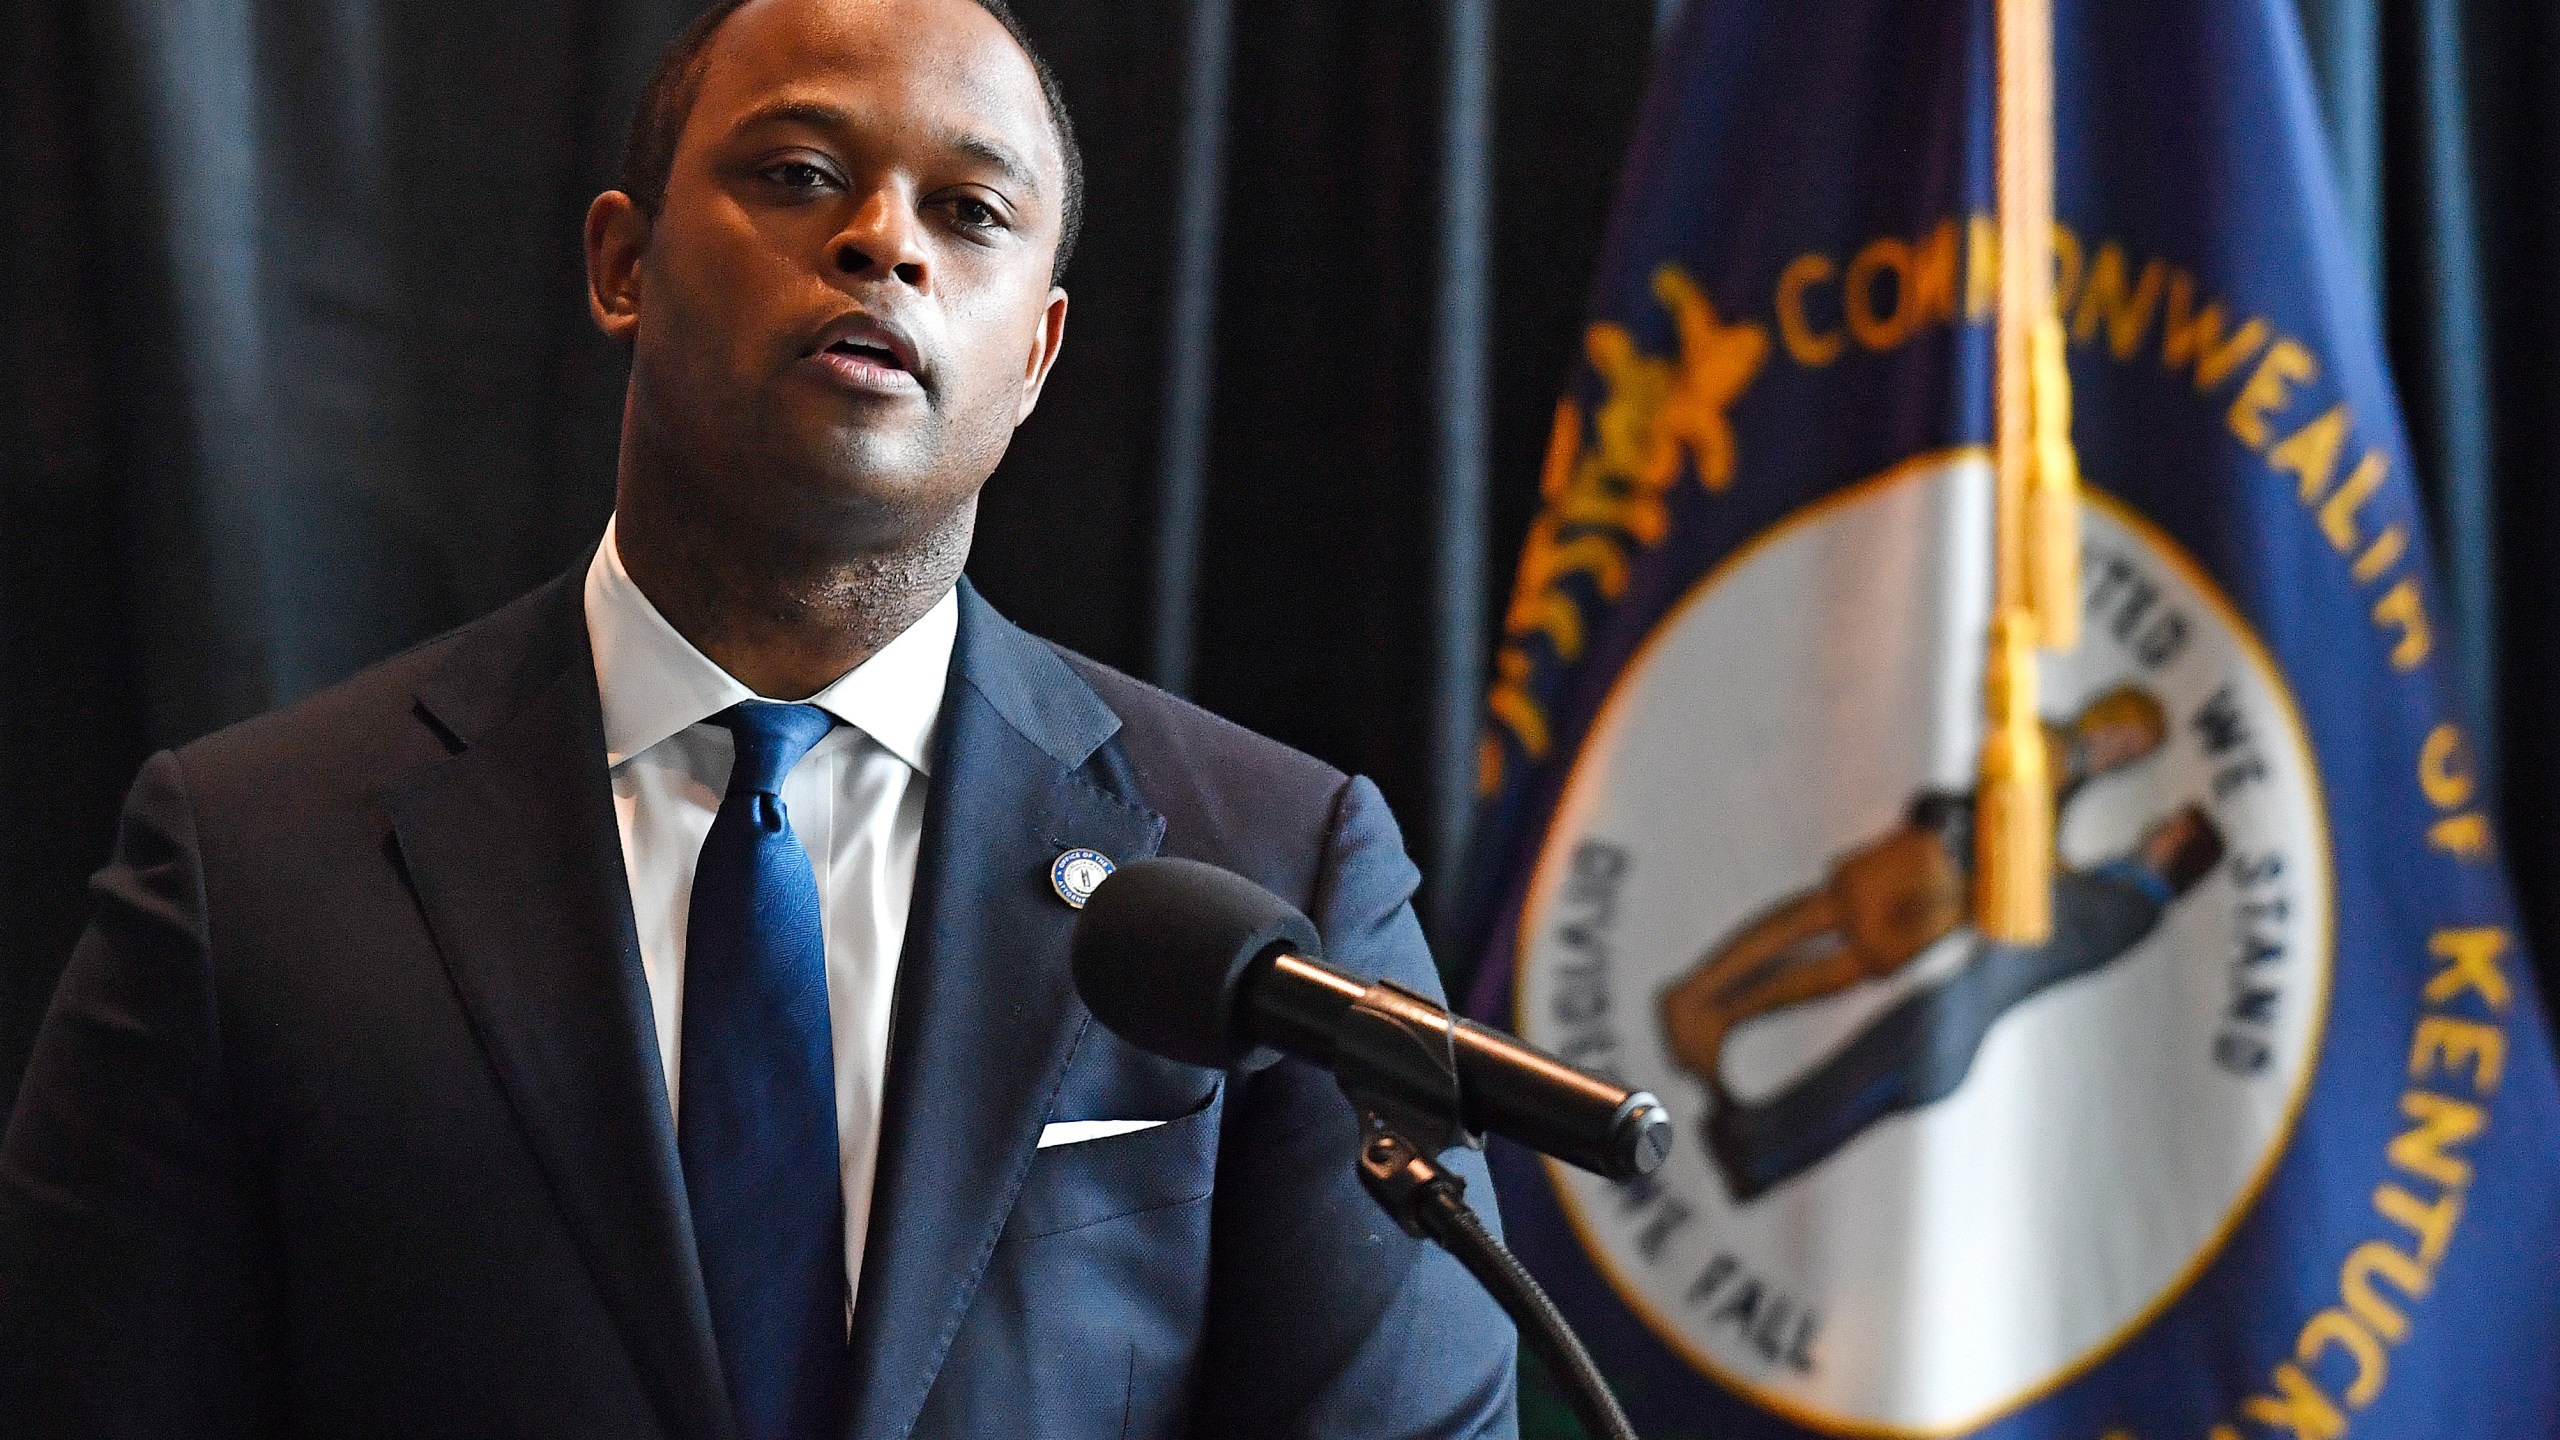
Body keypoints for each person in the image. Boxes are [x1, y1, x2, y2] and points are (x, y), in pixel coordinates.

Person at [0, 0, 1518, 1435]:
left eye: (969, 212)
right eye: (799, 175)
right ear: (622, 264)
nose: (881, 242)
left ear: (1038, 355)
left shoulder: (1275, 868)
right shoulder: (250, 863)